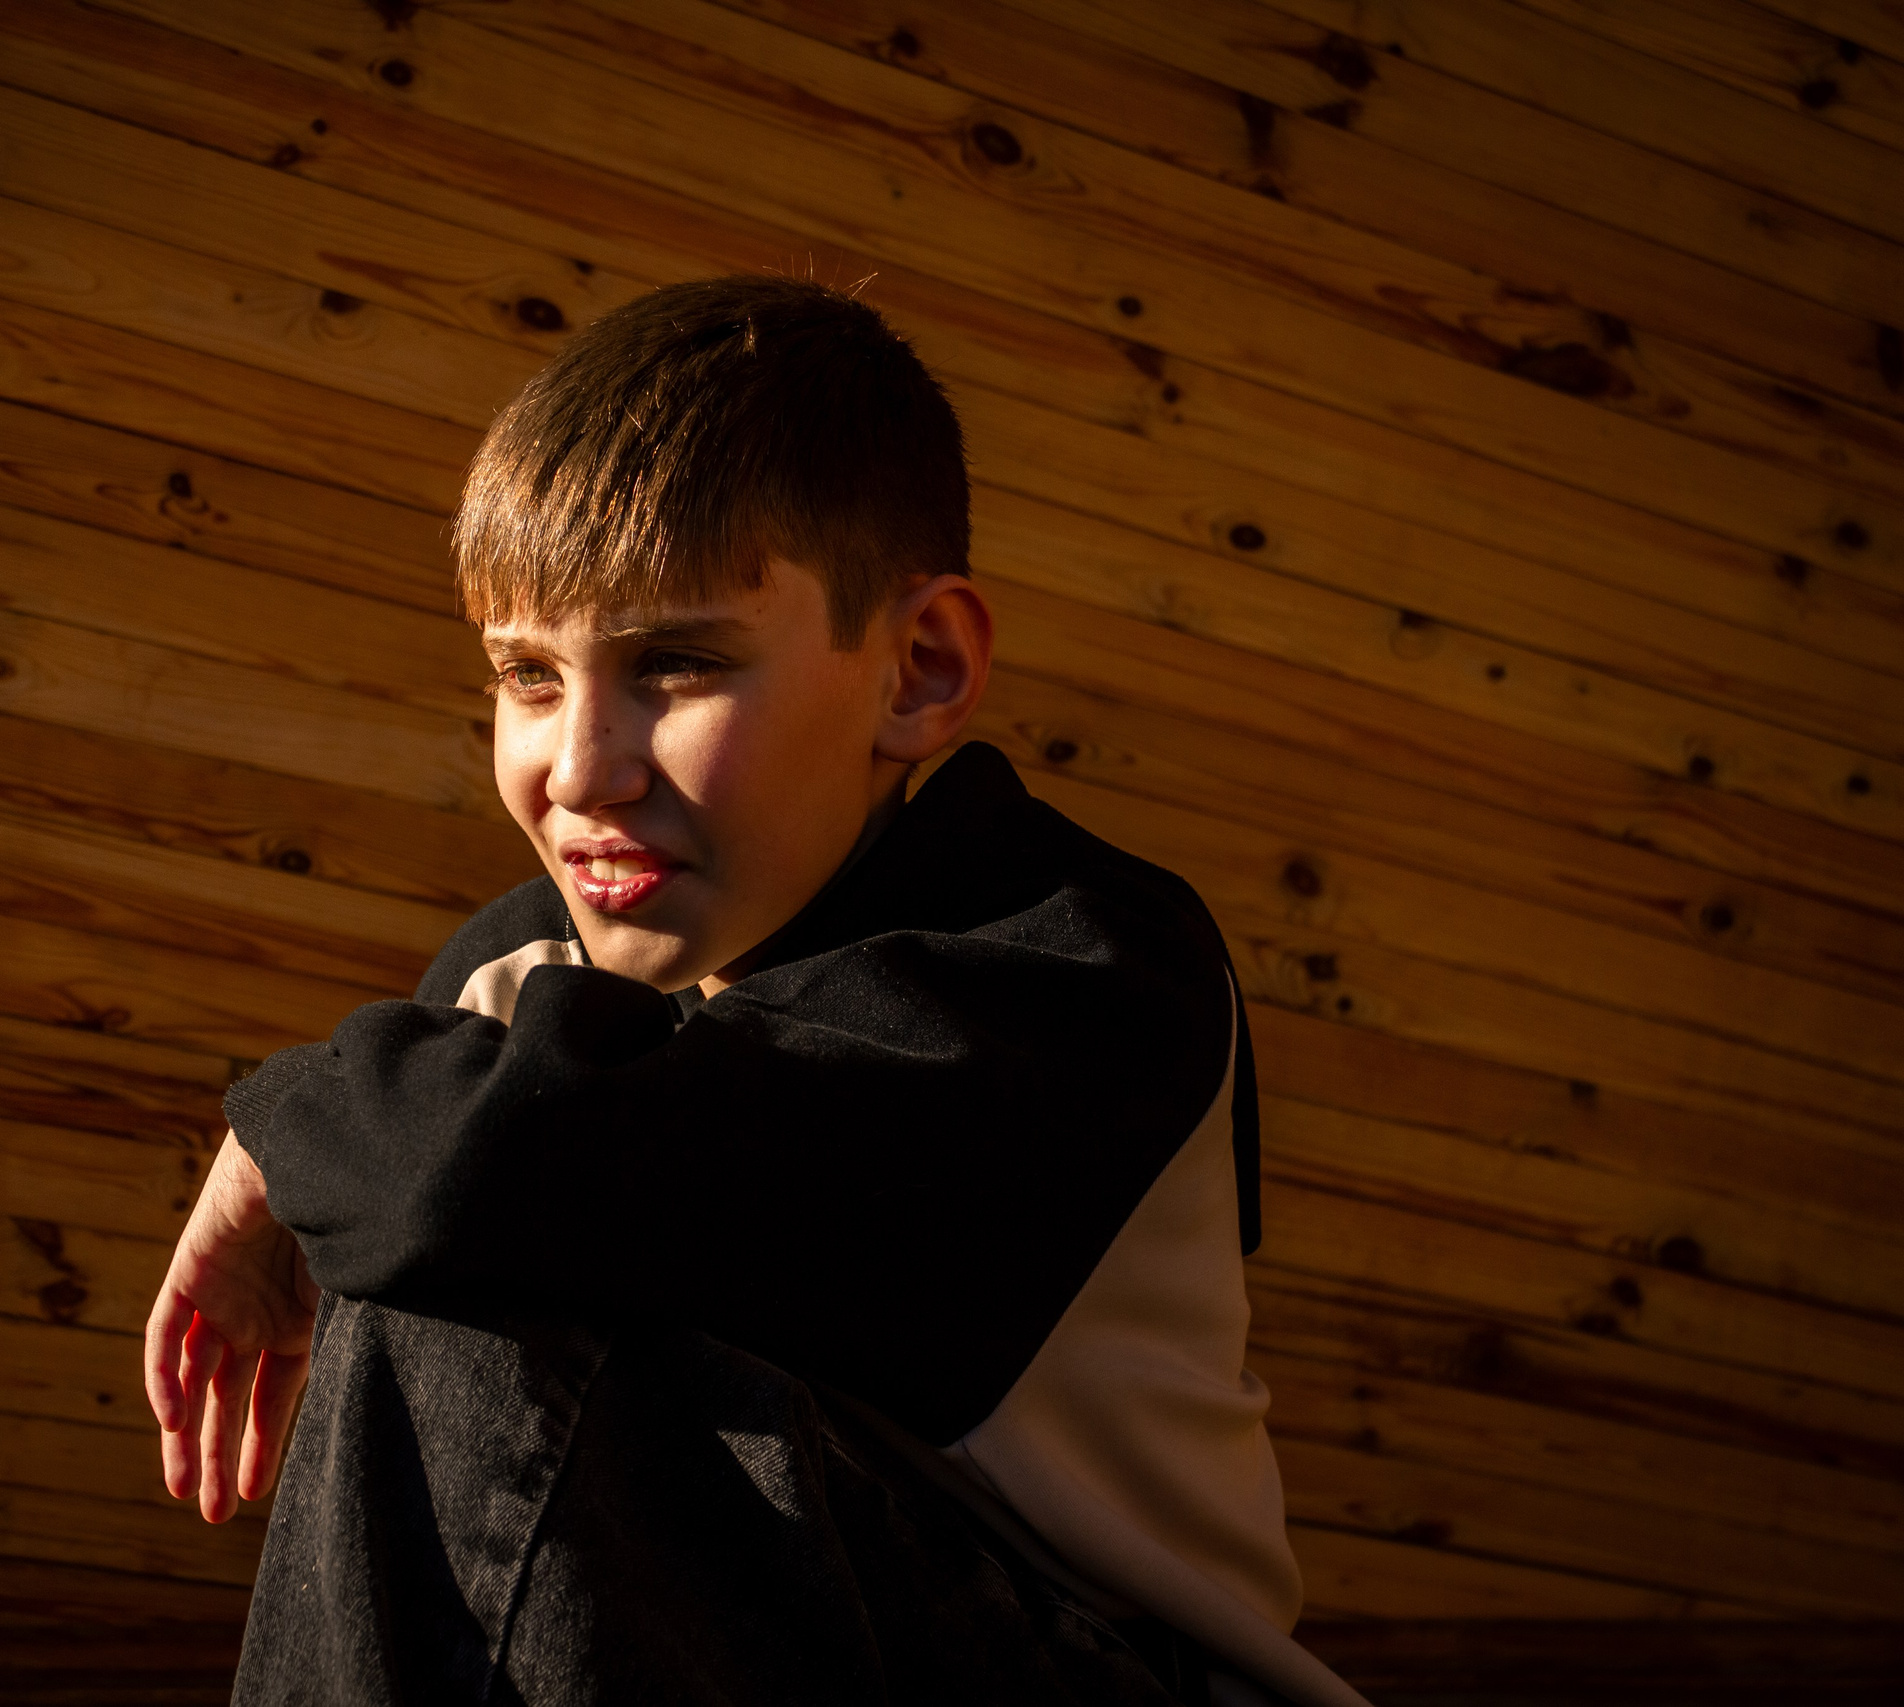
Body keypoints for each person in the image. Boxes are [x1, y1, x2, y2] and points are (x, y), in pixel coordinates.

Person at [143, 276, 1370, 1706]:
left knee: (486, 1256)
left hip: (1113, 1675)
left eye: (673, 667)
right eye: (527, 679)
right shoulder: (508, 979)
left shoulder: (1084, 972)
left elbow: (503, 1176)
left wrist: (279, 1122)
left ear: (921, 669)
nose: (581, 771)